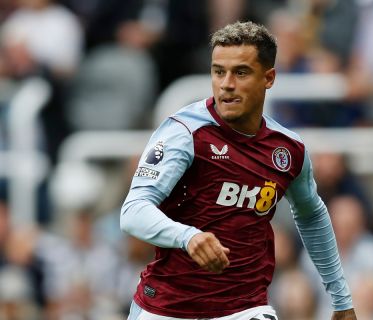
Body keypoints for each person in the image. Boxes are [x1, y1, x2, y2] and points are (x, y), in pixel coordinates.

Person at [120, 21, 356, 320]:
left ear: (268, 77)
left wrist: (340, 297)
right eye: (219, 71)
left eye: (240, 72)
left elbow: (312, 214)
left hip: (245, 308)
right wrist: (188, 236)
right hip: (167, 307)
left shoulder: (288, 150)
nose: (226, 84)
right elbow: (133, 211)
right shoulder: (185, 133)